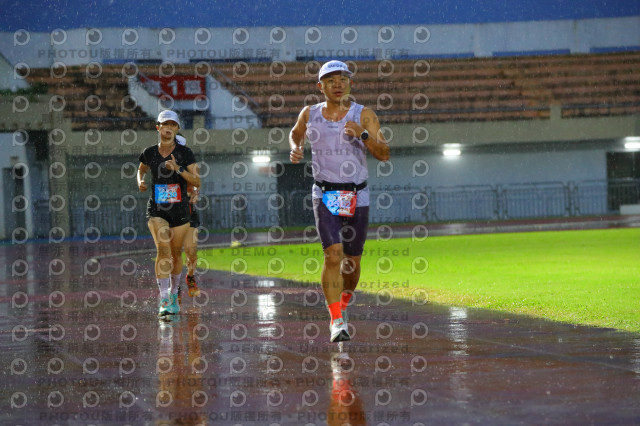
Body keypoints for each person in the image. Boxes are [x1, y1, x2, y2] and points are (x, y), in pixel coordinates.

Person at [289, 60, 390, 342]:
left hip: (357, 194)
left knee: (352, 263)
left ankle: (343, 305)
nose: (338, 84)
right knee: (333, 255)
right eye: (331, 80)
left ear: (350, 84)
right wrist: (295, 147)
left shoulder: (364, 114)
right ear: (320, 86)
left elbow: (384, 153)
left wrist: (362, 134)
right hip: (325, 193)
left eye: (343, 79)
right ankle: (336, 320)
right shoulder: (309, 113)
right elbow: (295, 134)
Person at [137, 110, 200, 317]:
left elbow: (197, 181)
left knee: (176, 253)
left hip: (180, 210)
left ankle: (174, 294)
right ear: (158, 127)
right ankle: (164, 299)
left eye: (173, 124)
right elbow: (141, 169)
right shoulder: (149, 152)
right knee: (163, 250)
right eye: (165, 124)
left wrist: (178, 169)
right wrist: (140, 181)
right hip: (157, 210)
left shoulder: (185, 153)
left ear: (177, 128)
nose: (169, 128)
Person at [175, 134, 201, 301]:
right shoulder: (160, 162)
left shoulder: (188, 163)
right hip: (169, 213)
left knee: (191, 251)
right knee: (173, 253)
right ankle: (174, 286)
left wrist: (196, 192)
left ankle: (190, 277)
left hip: (188, 212)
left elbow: (196, 181)